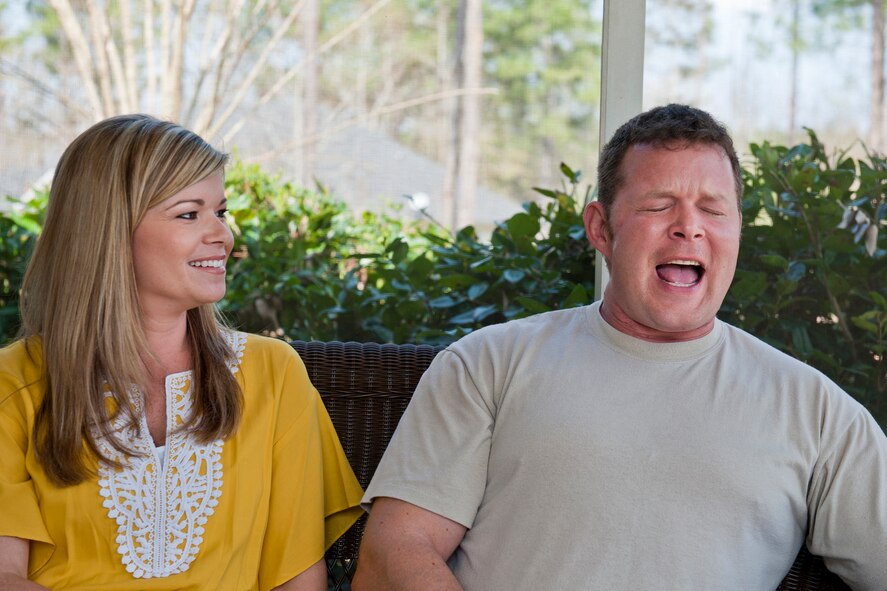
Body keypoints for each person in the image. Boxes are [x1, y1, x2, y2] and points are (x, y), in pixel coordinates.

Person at [353, 104, 887, 590]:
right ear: (601, 229)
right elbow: (392, 555)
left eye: (713, 208)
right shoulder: (487, 365)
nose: (688, 228)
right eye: (660, 205)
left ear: (738, 231)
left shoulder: (819, 414)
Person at [0, 114, 364, 590]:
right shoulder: (16, 382)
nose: (222, 236)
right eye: (190, 214)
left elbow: (297, 580)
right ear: (109, 231)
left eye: (222, 211)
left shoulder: (272, 374)